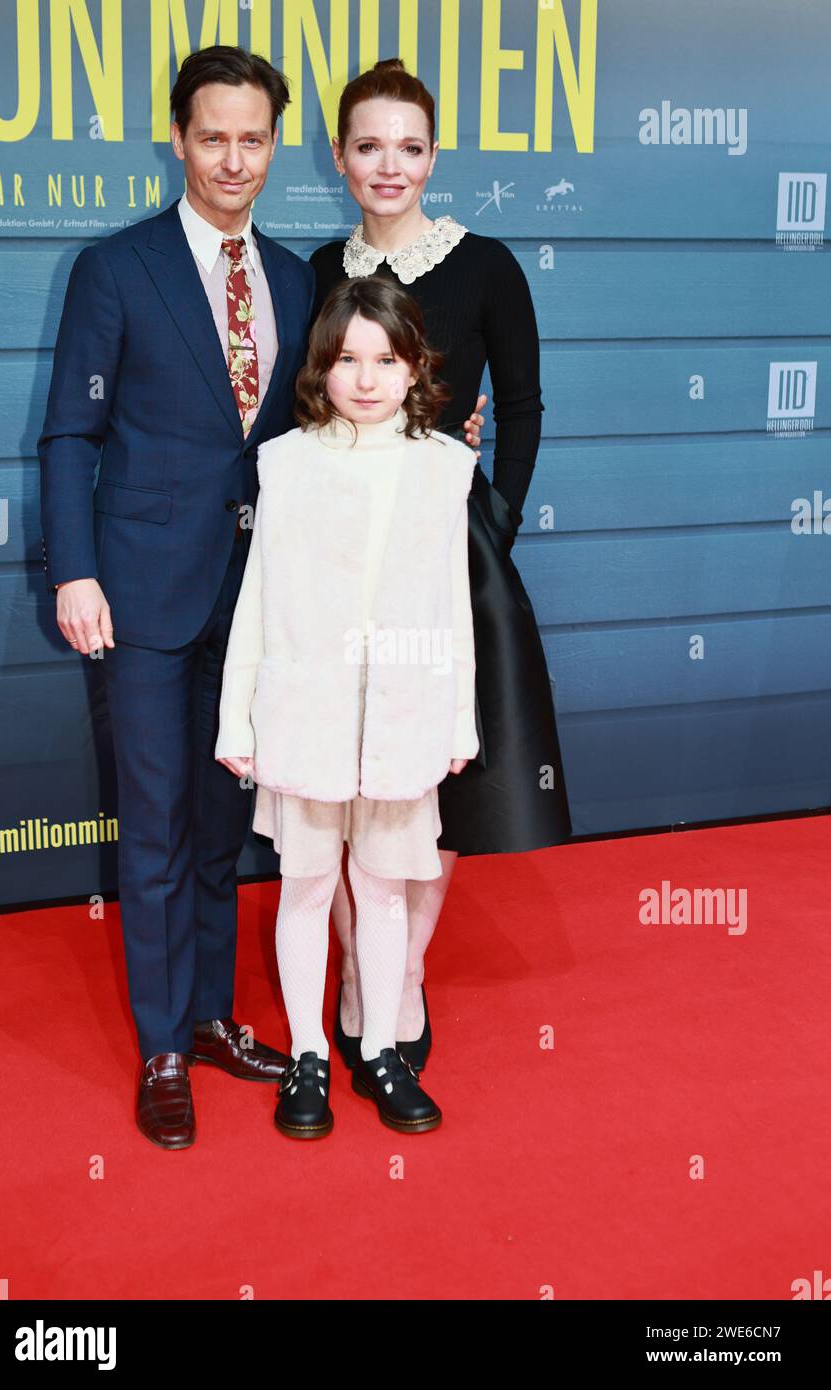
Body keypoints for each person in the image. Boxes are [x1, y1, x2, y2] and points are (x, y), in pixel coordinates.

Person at [36, 46, 312, 1150]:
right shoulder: (116, 268)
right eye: (212, 137)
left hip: (256, 605)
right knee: (150, 828)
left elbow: (318, 426)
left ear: (271, 143)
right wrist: (75, 567)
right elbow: (71, 430)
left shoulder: (295, 277)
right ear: (177, 138)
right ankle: (160, 1043)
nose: (232, 159)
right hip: (144, 595)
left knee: (216, 827)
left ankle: (207, 1018)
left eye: (252, 139)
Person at [308, 59, 573, 1073]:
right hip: (335, 563)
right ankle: (348, 968)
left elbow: (524, 405)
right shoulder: (313, 275)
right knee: (338, 780)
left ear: (432, 156)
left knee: (433, 777)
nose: (390, 166)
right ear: (339, 157)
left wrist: (489, 524)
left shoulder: (486, 265)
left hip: (447, 559)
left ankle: (405, 969)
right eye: (368, 147)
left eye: (409, 147)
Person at [215, 276, 478, 1138]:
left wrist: (459, 717)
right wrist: (236, 717)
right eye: (347, 359)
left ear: (414, 369)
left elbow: (454, 604)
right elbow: (258, 597)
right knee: (303, 887)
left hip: (404, 713)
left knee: (388, 890)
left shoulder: (445, 468)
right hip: (306, 712)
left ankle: (378, 1053)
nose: (365, 379)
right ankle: (306, 1057)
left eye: (386, 360)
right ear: (321, 366)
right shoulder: (286, 463)